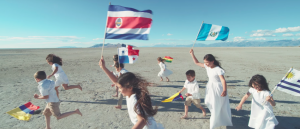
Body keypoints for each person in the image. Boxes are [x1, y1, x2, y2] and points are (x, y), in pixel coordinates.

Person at [99, 56, 164, 129]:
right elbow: (116, 81)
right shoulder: (131, 92)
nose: (119, 90)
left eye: (120, 88)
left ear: (130, 87)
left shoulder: (134, 99)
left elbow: (142, 120)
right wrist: (103, 67)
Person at [189, 49, 232, 129]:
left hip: (218, 88)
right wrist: (192, 54)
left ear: (212, 61)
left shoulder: (218, 69)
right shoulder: (207, 66)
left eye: (207, 62)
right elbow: (197, 62)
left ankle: (216, 119)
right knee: (208, 102)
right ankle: (215, 115)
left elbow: (223, 80)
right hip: (210, 86)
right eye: (205, 62)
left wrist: (224, 90)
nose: (206, 64)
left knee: (216, 103)